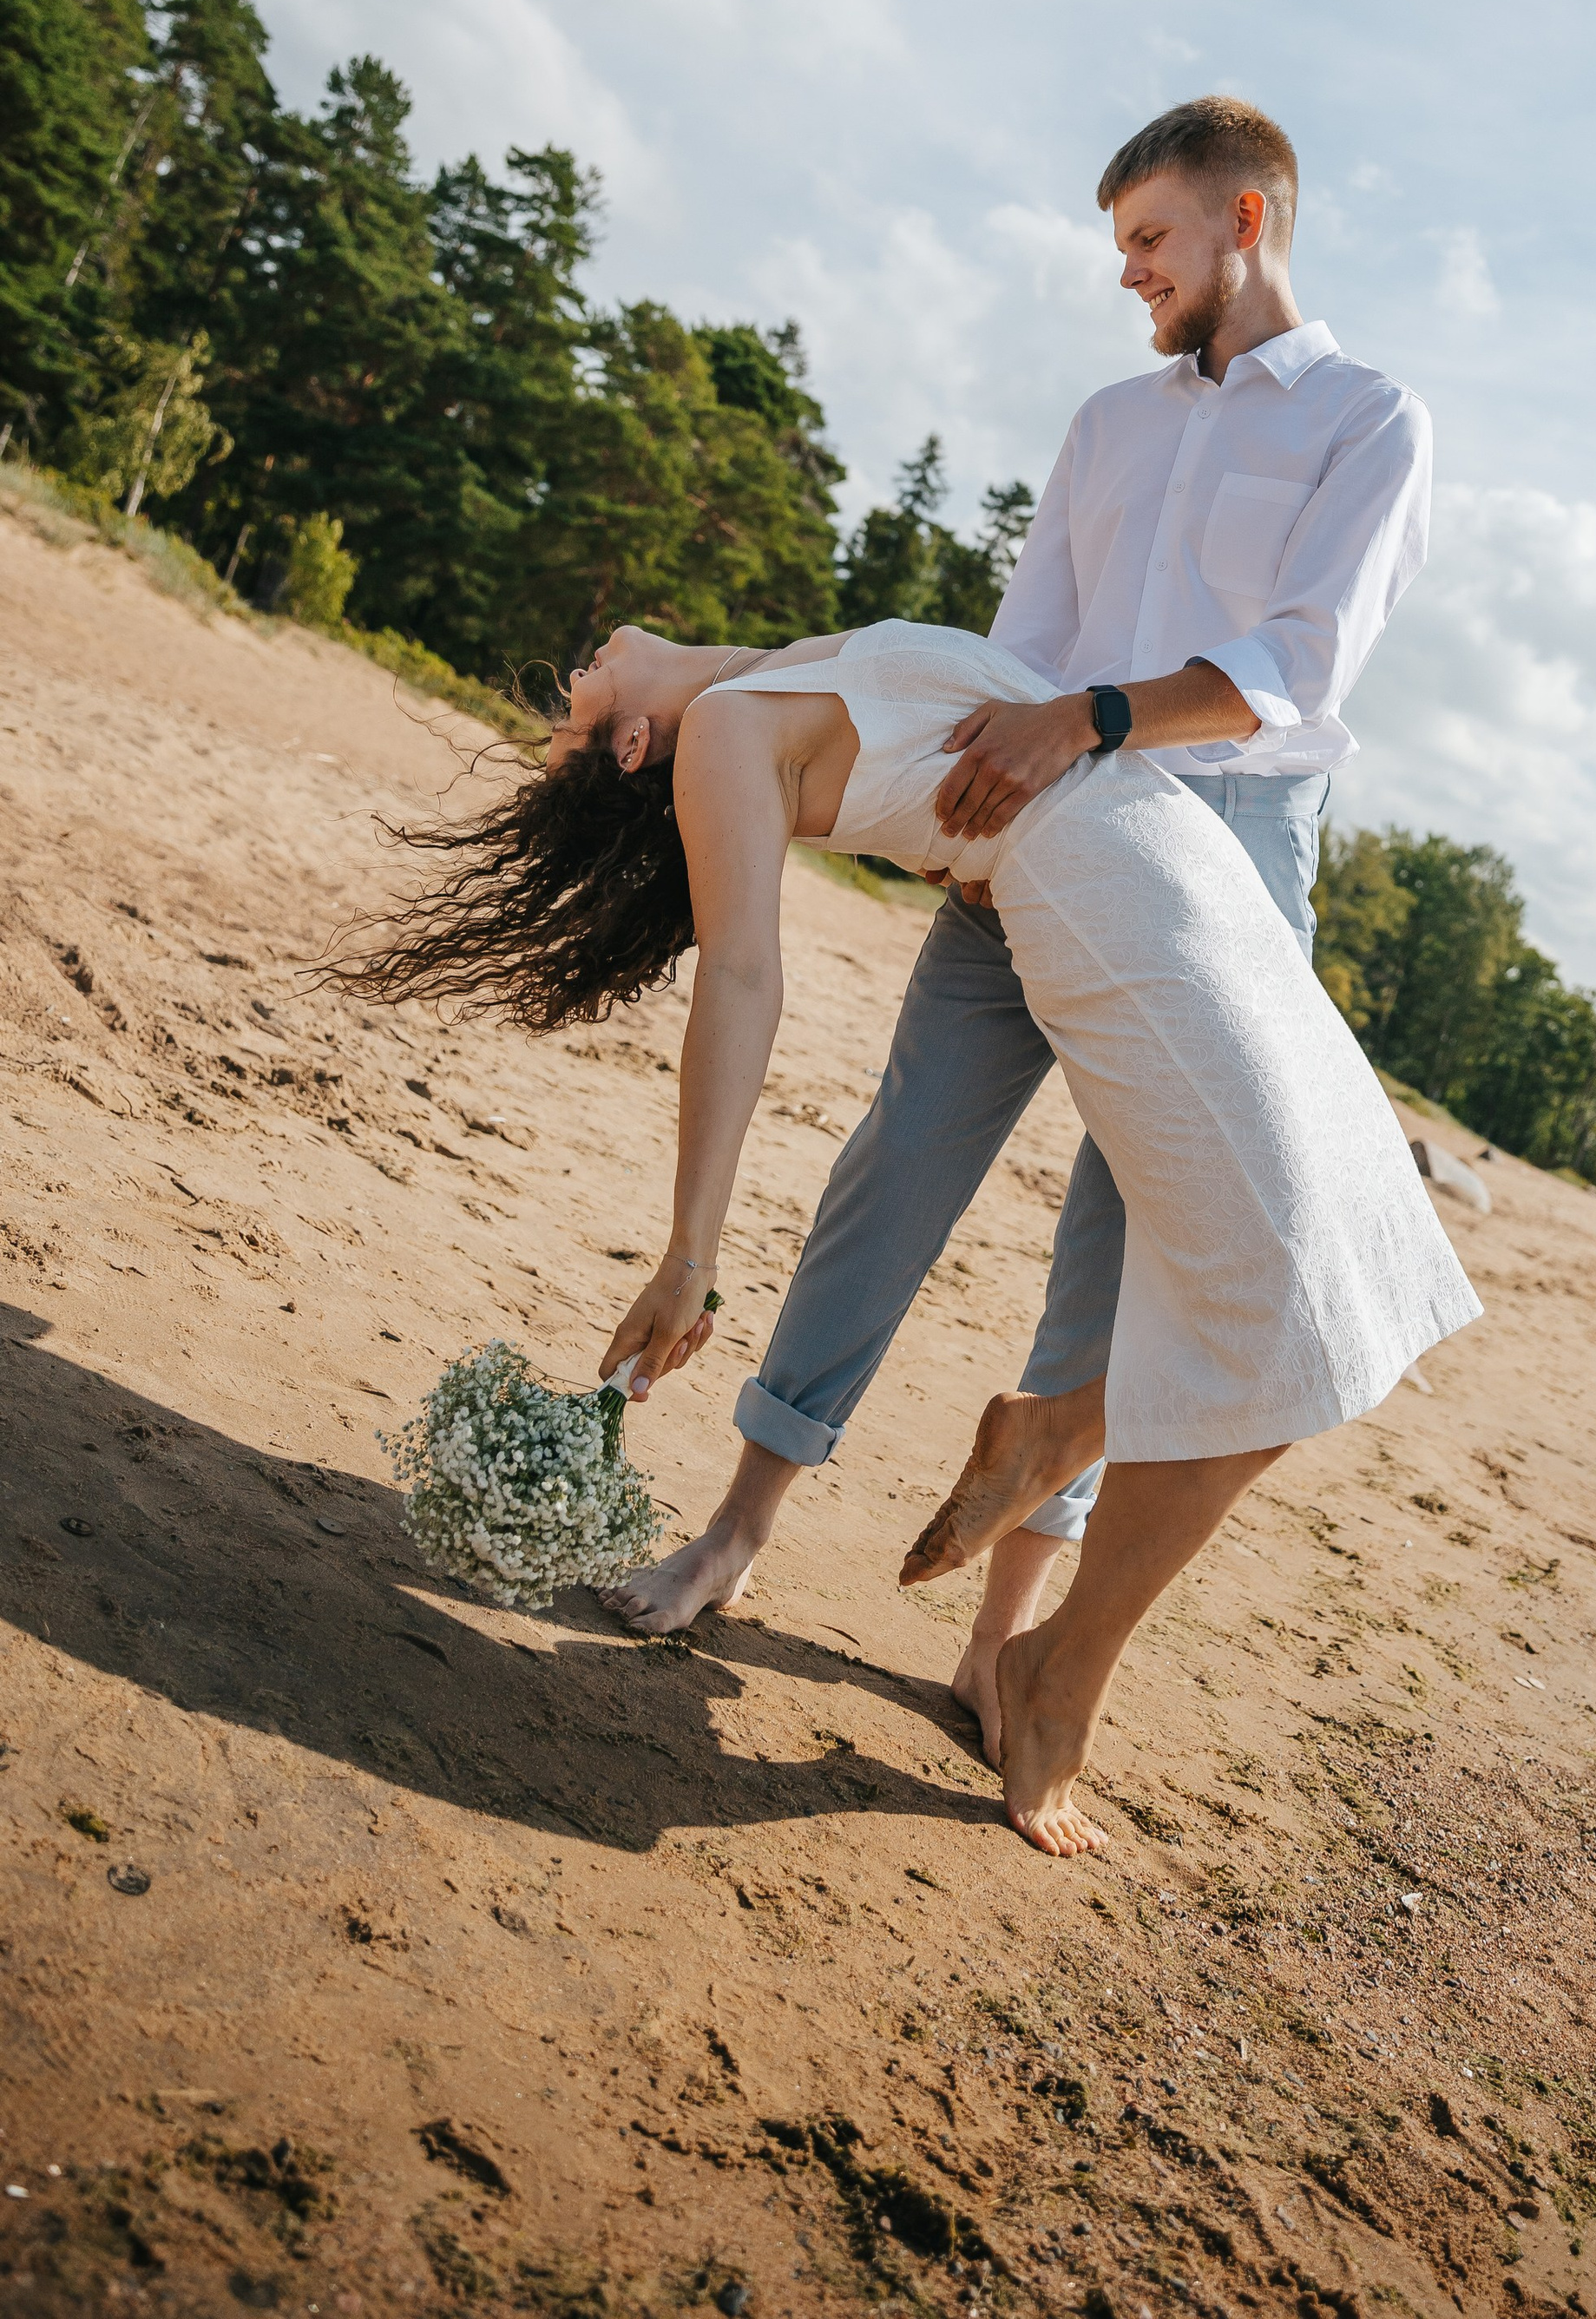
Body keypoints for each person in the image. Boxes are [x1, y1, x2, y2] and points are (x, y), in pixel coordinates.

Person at [342, 612, 1481, 1851]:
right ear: (630, 741)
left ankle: (1061, 1435)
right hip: (1126, 911)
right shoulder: (724, 730)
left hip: (1189, 868)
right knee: (1298, 1323)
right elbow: (741, 978)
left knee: (1356, 1268)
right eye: (576, 704)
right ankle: (1061, 1667)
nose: (578, 664)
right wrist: (690, 1252)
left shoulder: (763, 680)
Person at [599, 101, 1434, 1753]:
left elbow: (1301, 667)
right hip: (1030, 811)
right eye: (1124, 245)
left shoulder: (1369, 419)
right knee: (900, 1154)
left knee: (1122, 1253)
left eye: (1152, 242)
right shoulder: (1110, 422)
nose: (1129, 275)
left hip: (1231, 848)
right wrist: (959, 794)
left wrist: (1097, 719)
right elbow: (1022, 641)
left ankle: (1000, 1639)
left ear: (1247, 220)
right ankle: (742, 1526)